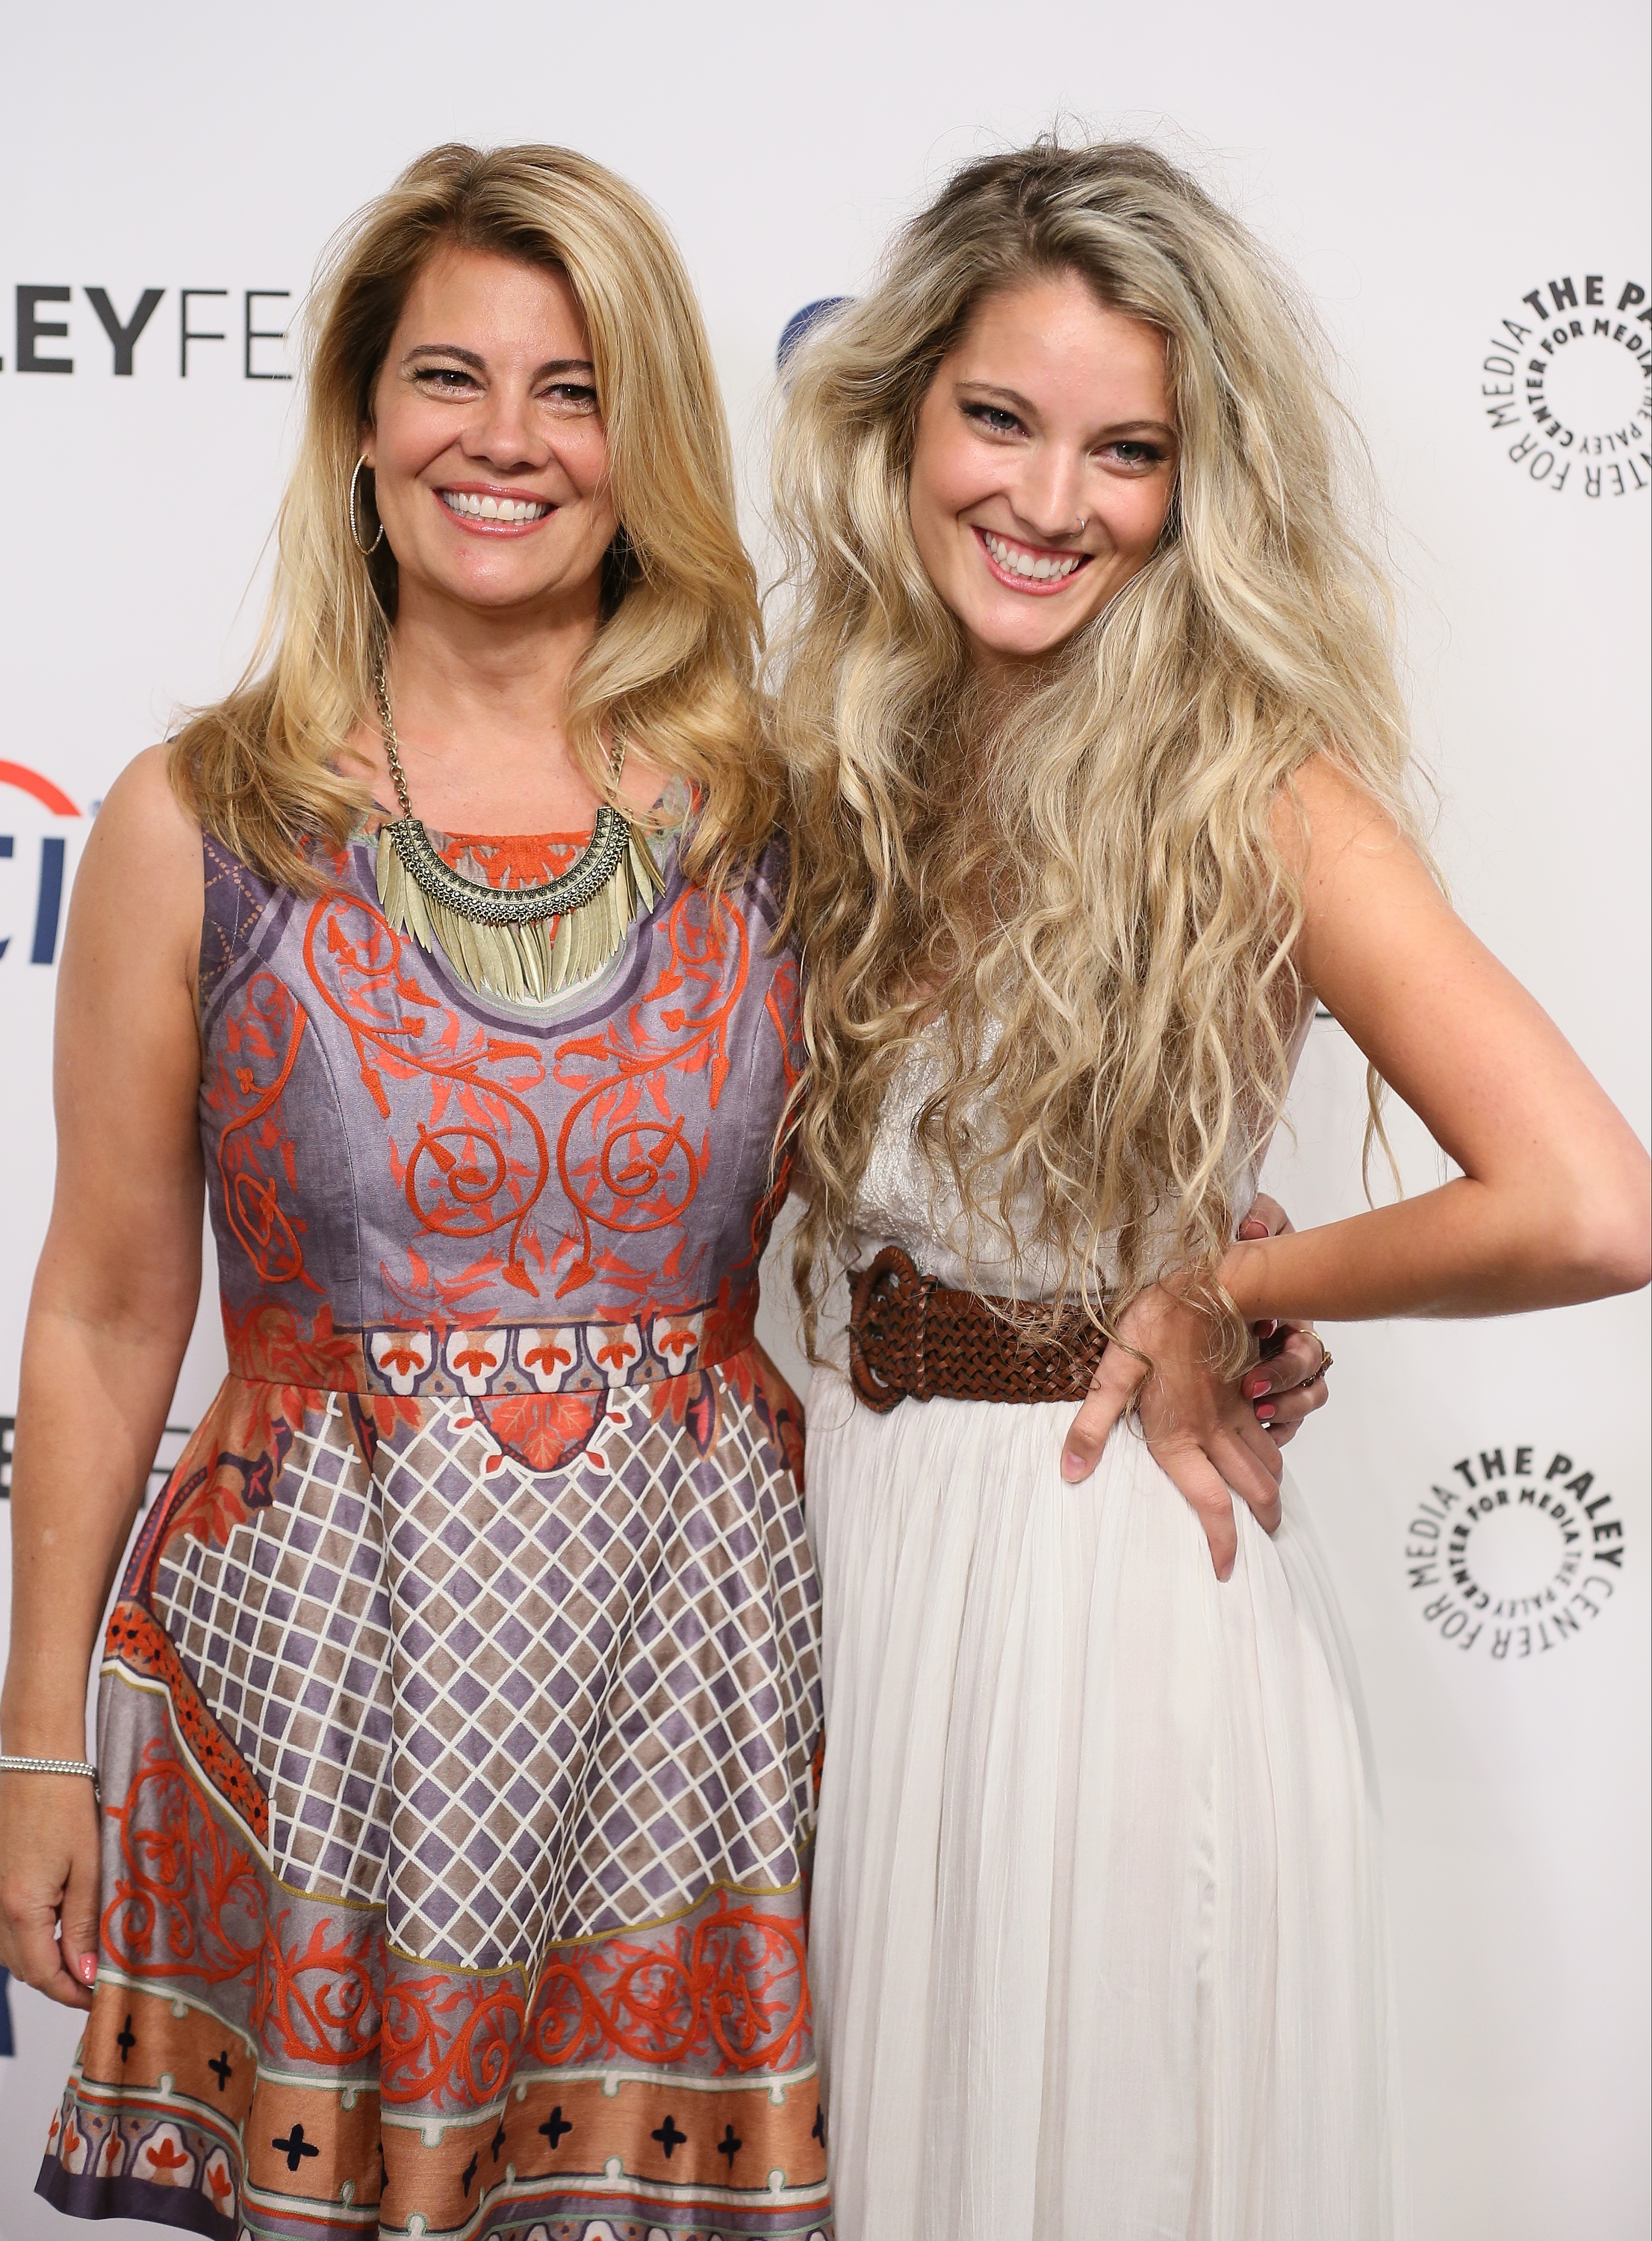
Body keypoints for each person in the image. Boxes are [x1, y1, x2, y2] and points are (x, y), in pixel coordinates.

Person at [768, 140, 1651, 2241]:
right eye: (996, 418)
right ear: (899, 416)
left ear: (1195, 487)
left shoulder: (1256, 793)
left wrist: (1214, 1290)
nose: (1046, 500)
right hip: (854, 1566)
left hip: (1103, 1599)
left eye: (1124, 450)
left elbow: (1586, 1201)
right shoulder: (837, 763)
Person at [3, 144, 831, 2241]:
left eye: (574, 391)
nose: (506, 442)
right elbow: (106, 1314)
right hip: (311, 1697)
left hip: (694, 1693)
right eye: (449, 377)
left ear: (645, 439)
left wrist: (1208, 1297)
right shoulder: (200, 815)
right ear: (361, 421)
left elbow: (960, 1191)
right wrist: (29, 1752)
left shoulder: (788, 814)